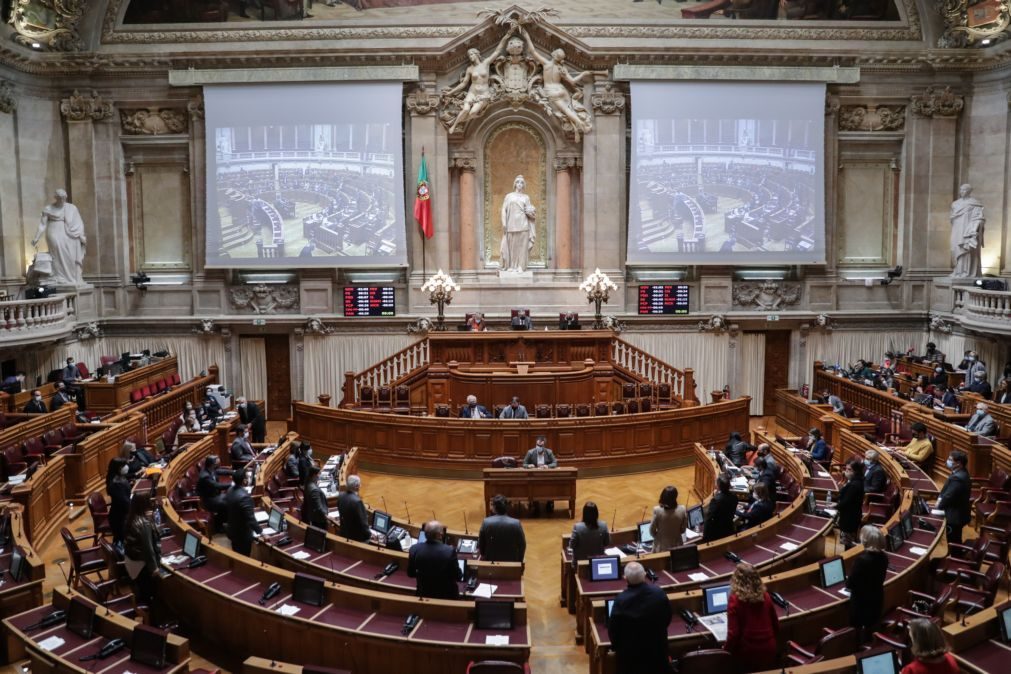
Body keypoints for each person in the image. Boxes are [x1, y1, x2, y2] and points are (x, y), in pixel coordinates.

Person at [519, 27, 594, 140]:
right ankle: (582, 124)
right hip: (561, 90)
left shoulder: (546, 64)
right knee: (568, 109)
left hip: (551, 91)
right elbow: (573, 81)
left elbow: (533, 51)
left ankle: (581, 124)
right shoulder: (561, 69)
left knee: (565, 110)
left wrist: (526, 36)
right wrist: (583, 74)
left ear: (554, 55)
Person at [443, 28, 515, 134]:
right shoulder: (470, 69)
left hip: (483, 94)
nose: (470, 57)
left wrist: (505, 37)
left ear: (477, 54)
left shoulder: (485, 64)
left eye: (472, 54)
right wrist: (450, 92)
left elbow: (497, 51)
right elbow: (463, 84)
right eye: (469, 56)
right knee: (466, 110)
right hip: (472, 92)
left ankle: (457, 120)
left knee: (473, 112)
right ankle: (454, 125)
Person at [607, 561, 673, 674]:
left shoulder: (620, 600)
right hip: (657, 654)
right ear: (644, 575)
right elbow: (667, 619)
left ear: (625, 578)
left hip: (631, 660)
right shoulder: (659, 593)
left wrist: (618, 647)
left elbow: (613, 630)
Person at [724, 563, 779, 672]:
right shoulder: (766, 596)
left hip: (747, 652)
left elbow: (733, 634)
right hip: (769, 649)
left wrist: (725, 650)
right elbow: (776, 625)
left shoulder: (735, 600)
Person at [32, 188, 87, 287]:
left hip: (69, 233)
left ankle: (71, 278)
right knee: (57, 253)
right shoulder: (48, 208)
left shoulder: (71, 208)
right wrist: (36, 238)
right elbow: (42, 225)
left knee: (70, 255)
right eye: (60, 198)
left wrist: (79, 234)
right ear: (56, 198)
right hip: (53, 232)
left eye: (64, 198)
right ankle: (59, 276)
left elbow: (79, 223)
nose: (62, 200)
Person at [845, 525, 888, 642]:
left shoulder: (862, 560)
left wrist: (847, 579)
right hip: (877, 599)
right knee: (871, 626)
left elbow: (850, 584)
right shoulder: (884, 557)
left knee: (857, 631)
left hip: (861, 603)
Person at [122, 491, 162, 604]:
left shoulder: (131, 517)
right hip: (140, 567)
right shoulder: (144, 523)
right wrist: (154, 568)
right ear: (145, 504)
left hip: (130, 562)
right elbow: (148, 549)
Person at [407, 520, 461, 600]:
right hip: (447, 596)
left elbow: (410, 573)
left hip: (424, 594)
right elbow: (458, 576)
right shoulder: (449, 551)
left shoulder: (414, 549)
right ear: (439, 535)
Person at [499, 175, 537, 272]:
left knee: (522, 247)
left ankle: (521, 266)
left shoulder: (526, 197)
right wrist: (504, 223)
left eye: (521, 183)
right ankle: (511, 266)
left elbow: (529, 210)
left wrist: (532, 213)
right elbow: (504, 209)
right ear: (515, 184)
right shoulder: (509, 196)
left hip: (523, 224)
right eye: (518, 182)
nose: (519, 184)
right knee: (512, 246)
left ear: (524, 185)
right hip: (511, 224)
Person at [949, 183, 985, 279]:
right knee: (955, 248)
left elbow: (980, 218)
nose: (962, 192)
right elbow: (952, 218)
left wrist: (975, 227)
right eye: (961, 190)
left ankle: (966, 272)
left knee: (967, 250)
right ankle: (957, 271)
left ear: (969, 191)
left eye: (964, 190)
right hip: (957, 230)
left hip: (968, 231)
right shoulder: (955, 204)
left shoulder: (975, 203)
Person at [936, 449, 971, 544]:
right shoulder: (960, 472)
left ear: (959, 463)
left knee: (953, 541)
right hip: (959, 511)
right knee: (955, 538)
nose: (947, 461)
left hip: (955, 516)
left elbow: (949, 496)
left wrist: (939, 506)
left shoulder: (958, 477)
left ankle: (956, 557)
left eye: (950, 459)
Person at [225, 468, 262, 556]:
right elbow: (250, 519)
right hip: (242, 534)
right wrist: (261, 532)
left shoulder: (230, 490)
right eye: (247, 477)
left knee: (236, 553)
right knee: (244, 556)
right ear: (244, 481)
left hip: (232, 529)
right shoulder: (244, 497)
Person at [478, 494, 526, 562]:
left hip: (490, 564)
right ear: (507, 507)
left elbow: (481, 545)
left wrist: (484, 556)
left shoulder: (486, 522)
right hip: (512, 565)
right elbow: (522, 545)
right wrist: (519, 561)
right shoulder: (516, 523)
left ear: (494, 508)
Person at [836, 458, 865, 549]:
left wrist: (836, 506)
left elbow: (846, 502)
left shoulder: (854, 485)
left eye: (849, 470)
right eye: (846, 469)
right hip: (852, 514)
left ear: (856, 471)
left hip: (850, 517)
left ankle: (848, 557)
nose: (846, 472)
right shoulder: (855, 481)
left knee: (847, 542)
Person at [649, 486, 687, 552]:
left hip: (661, 547)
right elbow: (683, 530)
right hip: (677, 546)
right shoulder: (682, 509)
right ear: (676, 496)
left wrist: (660, 537)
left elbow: (652, 531)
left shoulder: (657, 510)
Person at [702, 473, 738, 543]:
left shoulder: (716, 500)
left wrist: (705, 535)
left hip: (717, 532)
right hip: (729, 528)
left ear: (718, 486)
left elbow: (709, 518)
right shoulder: (734, 497)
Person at [197, 454, 228, 530]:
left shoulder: (210, 469)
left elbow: (221, 471)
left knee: (230, 499)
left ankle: (224, 520)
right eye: (217, 464)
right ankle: (218, 525)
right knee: (225, 504)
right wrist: (232, 484)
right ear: (212, 465)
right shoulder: (205, 476)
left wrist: (234, 472)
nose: (218, 465)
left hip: (215, 495)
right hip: (208, 499)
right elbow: (217, 485)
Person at [106, 457, 132, 546]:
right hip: (120, 517)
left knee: (119, 539)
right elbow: (124, 502)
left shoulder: (117, 478)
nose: (126, 467)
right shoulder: (116, 483)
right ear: (118, 468)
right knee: (121, 541)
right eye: (123, 465)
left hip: (120, 515)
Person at [337, 474, 370, 542]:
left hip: (343, 533)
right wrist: (369, 534)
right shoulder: (357, 502)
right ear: (356, 486)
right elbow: (363, 523)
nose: (360, 486)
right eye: (359, 484)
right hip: (356, 538)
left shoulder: (341, 495)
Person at [303, 465, 328, 530]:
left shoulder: (308, 483)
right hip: (319, 519)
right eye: (319, 473)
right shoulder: (314, 489)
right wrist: (327, 517)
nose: (320, 475)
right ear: (314, 475)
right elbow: (318, 507)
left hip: (313, 516)